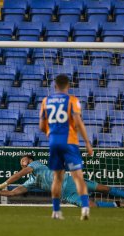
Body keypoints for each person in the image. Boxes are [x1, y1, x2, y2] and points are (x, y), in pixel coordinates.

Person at [0, 155, 124, 209]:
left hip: (71, 180)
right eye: (21, 161)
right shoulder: (31, 182)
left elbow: (20, 174)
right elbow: (13, 192)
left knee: (103, 188)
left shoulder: (35, 165)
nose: (23, 162)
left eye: (25, 160)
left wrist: (3, 183)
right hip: (66, 194)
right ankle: (120, 205)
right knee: (91, 206)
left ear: (30, 160)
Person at [38, 74, 93, 220]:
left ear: (55, 86)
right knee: (78, 177)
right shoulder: (72, 100)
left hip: (54, 142)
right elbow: (78, 122)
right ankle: (85, 208)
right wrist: (87, 142)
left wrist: (51, 133)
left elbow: (41, 126)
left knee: (57, 178)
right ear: (68, 86)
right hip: (70, 142)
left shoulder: (46, 101)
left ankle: (56, 211)